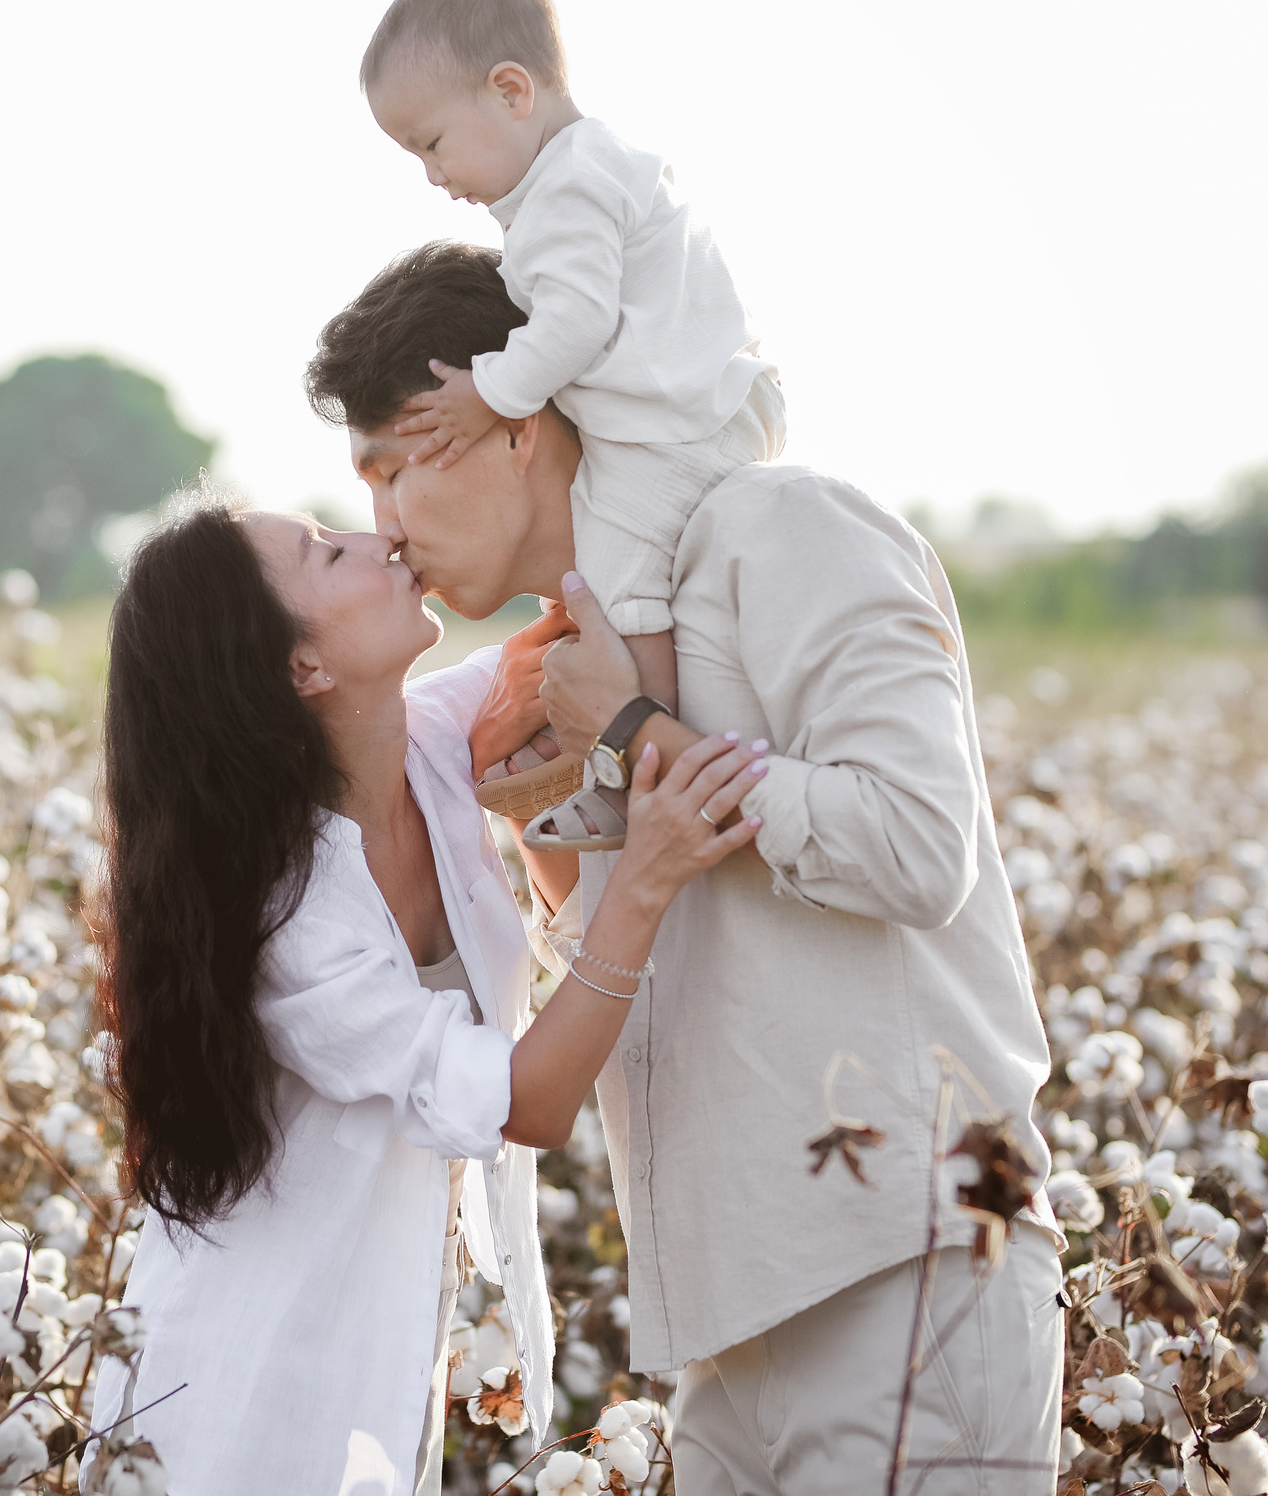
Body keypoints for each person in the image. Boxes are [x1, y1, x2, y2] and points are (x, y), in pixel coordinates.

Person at [306, 243, 1066, 1496]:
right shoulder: (579, 644)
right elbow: (672, 965)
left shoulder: (786, 528)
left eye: (397, 462)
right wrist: (536, 818)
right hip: (727, 1321)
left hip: (910, 1258)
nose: (383, 524)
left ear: (517, 418)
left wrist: (634, 738)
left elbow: (922, 846)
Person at [87, 498, 763, 1494]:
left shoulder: (437, 739)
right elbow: (527, 1103)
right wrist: (644, 881)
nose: (376, 536)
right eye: (326, 552)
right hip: (237, 1395)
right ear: (300, 668)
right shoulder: (291, 919)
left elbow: (584, 619)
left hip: (380, 1354)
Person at [360, 0, 783, 849]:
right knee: (610, 566)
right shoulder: (590, 173)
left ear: (511, 90)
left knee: (623, 581)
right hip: (698, 402)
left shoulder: (565, 189)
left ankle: (629, 757)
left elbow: (578, 320)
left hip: (678, 423)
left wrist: (489, 389)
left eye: (432, 144)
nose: (433, 177)